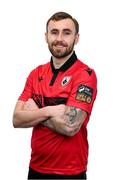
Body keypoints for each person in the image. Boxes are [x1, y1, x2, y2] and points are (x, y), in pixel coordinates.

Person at [13, 11, 97, 179]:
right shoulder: (36, 73)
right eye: (54, 32)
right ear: (46, 37)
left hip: (70, 171)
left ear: (76, 38)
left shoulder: (85, 75)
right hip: (36, 168)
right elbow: (16, 119)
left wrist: (35, 112)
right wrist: (49, 111)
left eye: (66, 33)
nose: (59, 38)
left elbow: (70, 127)